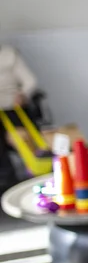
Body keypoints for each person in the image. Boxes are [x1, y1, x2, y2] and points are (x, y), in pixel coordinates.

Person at [0, 41, 40, 192]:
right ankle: (6, 180)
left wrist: (23, 94)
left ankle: (33, 174)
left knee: (20, 138)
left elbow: (30, 81)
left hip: (13, 106)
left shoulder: (9, 55)